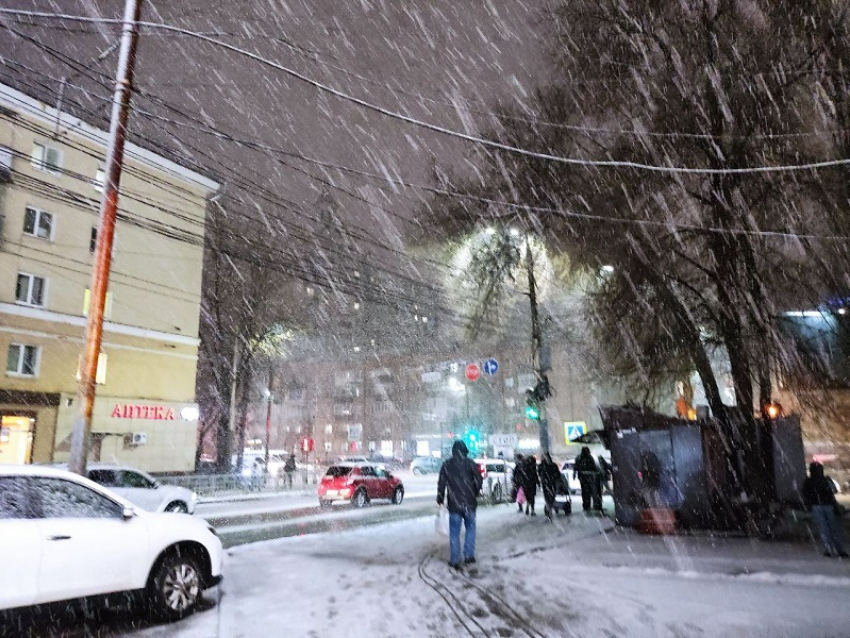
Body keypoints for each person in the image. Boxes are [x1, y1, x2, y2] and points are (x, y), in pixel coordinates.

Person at [437, 440, 484, 570]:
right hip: (469, 504)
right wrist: (474, 492)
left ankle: (454, 559)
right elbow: (479, 480)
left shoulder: (447, 465)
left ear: (453, 452)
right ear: (465, 451)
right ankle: (469, 556)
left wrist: (440, 498)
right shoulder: (470, 464)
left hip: (454, 505)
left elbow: (441, 483)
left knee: (454, 532)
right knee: (470, 529)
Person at [803, 462, 848, 558]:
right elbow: (834, 490)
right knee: (834, 528)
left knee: (824, 529)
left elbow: (806, 494)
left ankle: (829, 549)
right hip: (828, 505)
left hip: (817, 506)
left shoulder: (809, 481)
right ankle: (839, 549)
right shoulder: (826, 480)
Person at [574, 446, 601, 512]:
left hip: (582, 477)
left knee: (584, 491)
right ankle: (592, 505)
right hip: (589, 476)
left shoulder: (579, 457)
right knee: (590, 490)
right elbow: (593, 467)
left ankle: (586, 505)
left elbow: (575, 467)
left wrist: (575, 474)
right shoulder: (589, 457)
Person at [538, 453, 561, 521]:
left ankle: (550, 509)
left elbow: (557, 474)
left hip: (549, 483)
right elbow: (557, 474)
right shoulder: (545, 466)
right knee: (549, 497)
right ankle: (550, 510)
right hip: (548, 483)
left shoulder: (545, 466)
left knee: (550, 497)